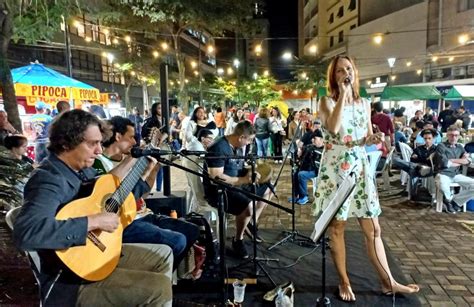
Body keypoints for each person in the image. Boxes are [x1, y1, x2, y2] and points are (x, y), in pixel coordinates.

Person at [13, 110, 173, 306]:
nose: (99, 150)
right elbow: (27, 234)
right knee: (157, 287)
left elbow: (104, 185)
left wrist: (135, 159)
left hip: (92, 254)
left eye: (99, 142)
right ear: (66, 143)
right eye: (92, 144)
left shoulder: (79, 170)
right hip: (69, 281)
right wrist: (93, 221)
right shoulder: (49, 179)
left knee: (162, 255)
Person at [313, 55, 419, 301]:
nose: (345, 73)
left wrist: (373, 140)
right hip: (336, 170)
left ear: (355, 72)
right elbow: (335, 127)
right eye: (340, 71)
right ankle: (344, 281)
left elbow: (366, 136)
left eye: (348, 69)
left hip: (359, 168)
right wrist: (342, 93)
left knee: (374, 228)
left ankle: (388, 281)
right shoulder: (326, 101)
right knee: (337, 227)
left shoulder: (365, 103)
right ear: (334, 76)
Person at [93, 116, 199, 268]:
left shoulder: (125, 161)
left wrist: (153, 169)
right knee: (178, 240)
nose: (135, 142)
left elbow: (142, 195)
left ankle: (166, 275)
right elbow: (116, 198)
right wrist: (137, 161)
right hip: (124, 223)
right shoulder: (100, 163)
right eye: (131, 137)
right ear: (117, 137)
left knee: (192, 230)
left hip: (142, 214)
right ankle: (159, 273)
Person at [204, 121, 271, 258]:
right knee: (249, 206)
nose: (250, 143)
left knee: (268, 188)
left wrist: (250, 172)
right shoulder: (219, 148)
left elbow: (236, 168)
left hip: (235, 184)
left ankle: (251, 221)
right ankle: (238, 239)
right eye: (250, 140)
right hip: (220, 191)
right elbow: (216, 177)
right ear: (241, 137)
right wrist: (244, 180)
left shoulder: (237, 147)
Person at [433, 125, 474, 213]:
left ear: (459, 136)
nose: (453, 137)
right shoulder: (441, 146)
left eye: (456, 135)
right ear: (447, 135)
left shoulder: (460, 147)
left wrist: (453, 161)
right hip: (443, 173)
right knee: (442, 183)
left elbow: (467, 161)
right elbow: (444, 163)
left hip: (456, 174)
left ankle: (455, 202)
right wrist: (460, 161)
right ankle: (448, 202)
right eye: (451, 135)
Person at [289, 129, 324, 205]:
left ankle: (304, 196)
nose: (312, 140)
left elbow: (319, 164)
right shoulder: (310, 147)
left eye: (315, 138)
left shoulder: (324, 150)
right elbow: (301, 150)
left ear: (321, 139)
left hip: (317, 170)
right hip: (308, 168)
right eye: (312, 138)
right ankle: (296, 195)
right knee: (295, 173)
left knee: (302, 175)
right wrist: (299, 151)